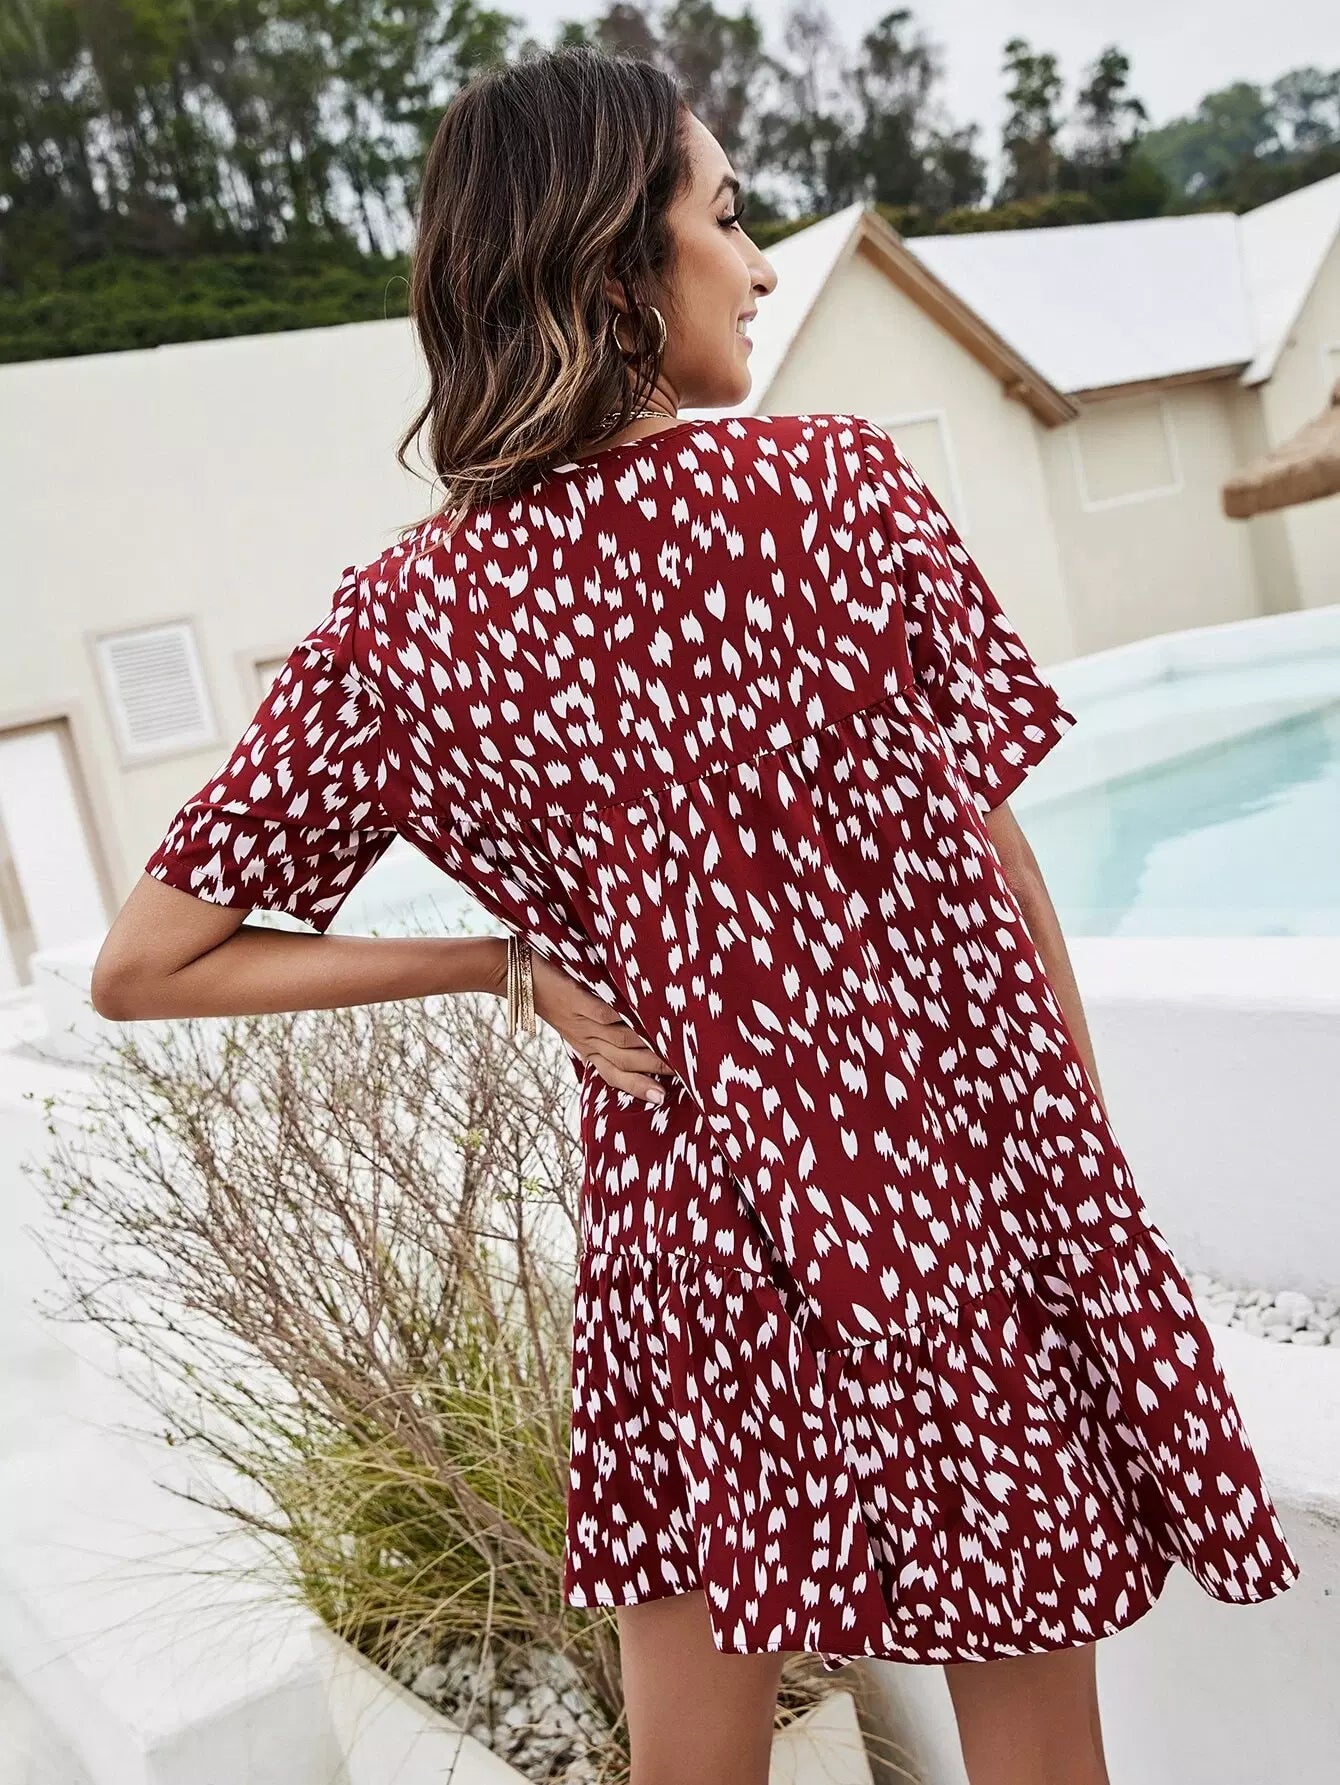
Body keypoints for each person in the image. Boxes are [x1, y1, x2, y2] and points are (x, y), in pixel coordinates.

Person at [93, 45, 1299, 1785]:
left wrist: (508, 964)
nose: (761, 265)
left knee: (693, 1760)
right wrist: (1079, 1184)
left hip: (690, 1235)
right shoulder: (844, 491)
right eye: (727, 220)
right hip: (948, 1194)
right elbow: (1002, 865)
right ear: (614, 268)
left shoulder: (403, 619)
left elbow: (147, 962)